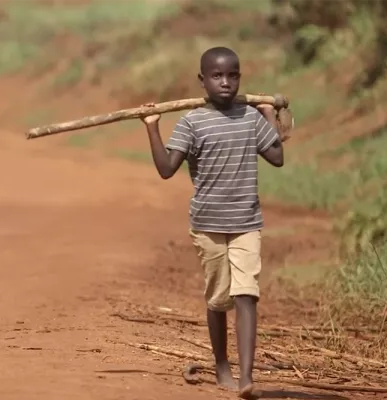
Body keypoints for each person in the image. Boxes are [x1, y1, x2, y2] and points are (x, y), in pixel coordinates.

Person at [140, 46, 284, 400]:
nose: (225, 82)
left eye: (233, 75)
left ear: (240, 78)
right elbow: (166, 169)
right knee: (219, 299)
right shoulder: (193, 122)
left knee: (247, 293)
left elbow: (277, 156)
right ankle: (222, 364)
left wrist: (269, 115)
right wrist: (152, 128)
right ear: (202, 80)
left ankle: (247, 377)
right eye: (217, 76)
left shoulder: (249, 117)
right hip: (208, 224)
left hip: (247, 221)